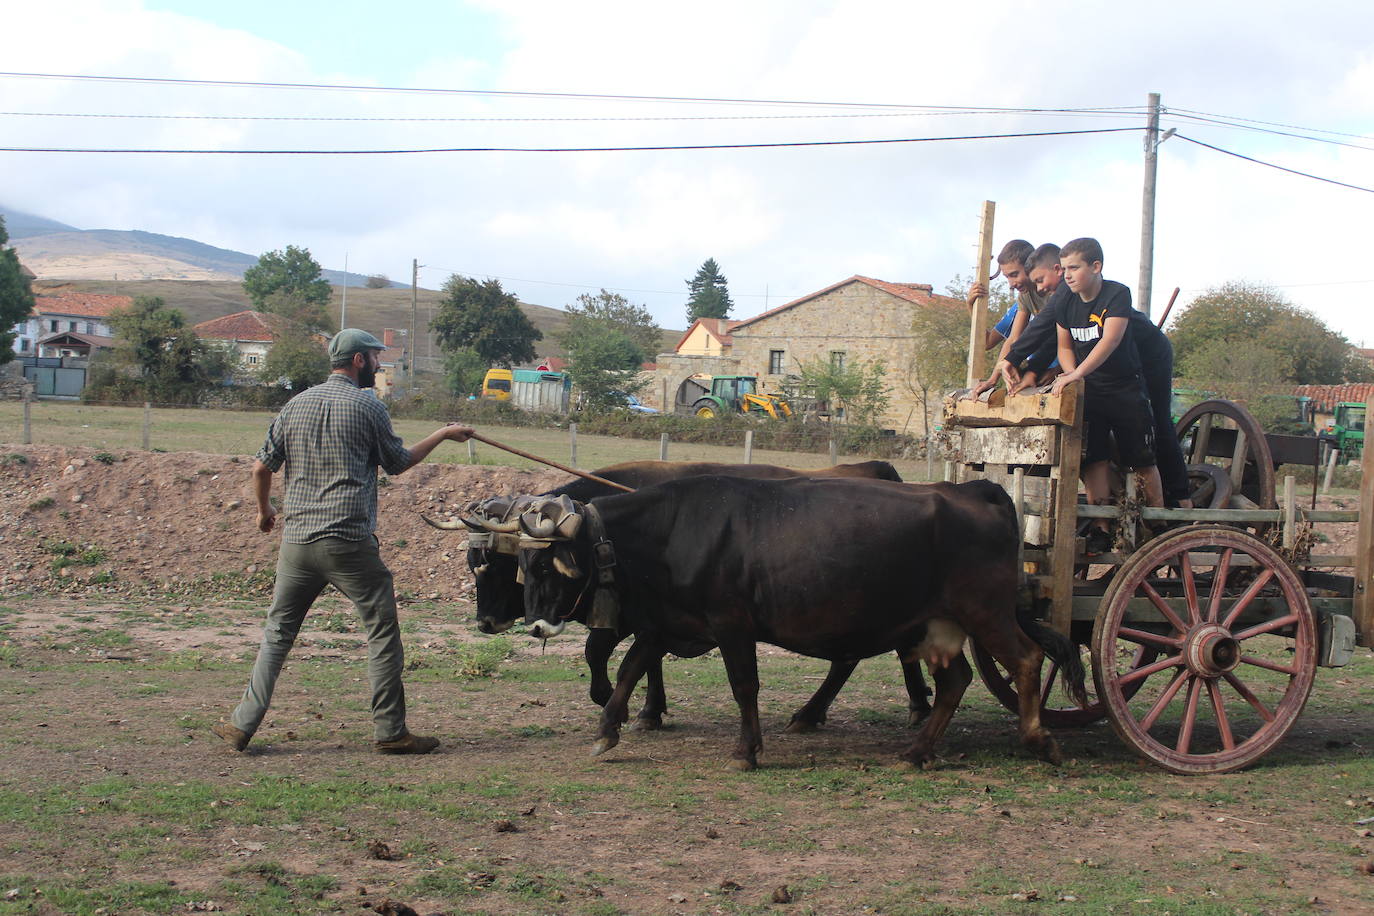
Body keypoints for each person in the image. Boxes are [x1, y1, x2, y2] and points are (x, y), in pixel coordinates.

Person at [212, 329, 475, 755]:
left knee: (278, 633)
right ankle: (391, 731)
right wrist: (443, 434)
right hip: (349, 541)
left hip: (297, 541)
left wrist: (265, 512)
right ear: (358, 361)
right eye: (374, 357)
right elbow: (398, 463)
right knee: (381, 632)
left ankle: (243, 723)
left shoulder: (295, 404)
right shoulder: (367, 405)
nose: (377, 364)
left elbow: (261, 469)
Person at [998, 242, 1191, 508]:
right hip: (1105, 368)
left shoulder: (1107, 293)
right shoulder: (1068, 297)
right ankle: (1116, 499)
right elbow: (1052, 336)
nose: (1039, 287)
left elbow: (1096, 339)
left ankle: (1180, 497)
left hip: (1147, 355)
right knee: (1097, 444)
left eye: (1041, 279)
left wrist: (1031, 363)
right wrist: (1019, 363)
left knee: (1157, 420)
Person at [1048, 239, 1164, 552]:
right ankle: (1101, 528)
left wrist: (1076, 374)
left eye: (1075, 268)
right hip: (1090, 390)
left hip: (1124, 386)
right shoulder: (1065, 303)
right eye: (1065, 268)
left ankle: (1158, 523)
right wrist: (1075, 377)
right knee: (1093, 458)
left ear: (1096, 267)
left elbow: (1110, 341)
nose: (1067, 275)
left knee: (1141, 457)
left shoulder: (1116, 294)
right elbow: (1063, 346)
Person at [967, 239, 1047, 396]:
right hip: (1036, 368)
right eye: (1007, 277)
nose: (1011, 284)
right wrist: (992, 379)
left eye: (1014, 275)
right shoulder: (1023, 299)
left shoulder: (1055, 293)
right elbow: (1009, 340)